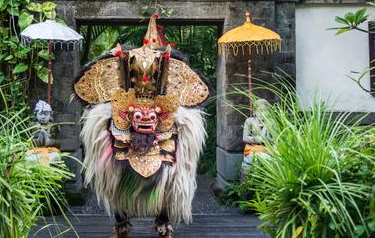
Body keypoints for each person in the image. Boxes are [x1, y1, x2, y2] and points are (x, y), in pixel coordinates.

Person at [73, 15, 209, 238]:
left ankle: (164, 222)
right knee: (114, 180)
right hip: (125, 124)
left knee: (171, 179)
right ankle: (121, 224)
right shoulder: (119, 101)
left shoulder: (170, 100)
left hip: (162, 126)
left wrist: (170, 118)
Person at [242, 98, 271, 167]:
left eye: (265, 111)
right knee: (264, 158)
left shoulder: (270, 122)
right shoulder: (249, 121)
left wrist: (266, 126)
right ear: (255, 111)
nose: (263, 113)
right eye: (260, 110)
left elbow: (274, 139)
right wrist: (258, 139)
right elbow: (245, 138)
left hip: (267, 150)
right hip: (252, 150)